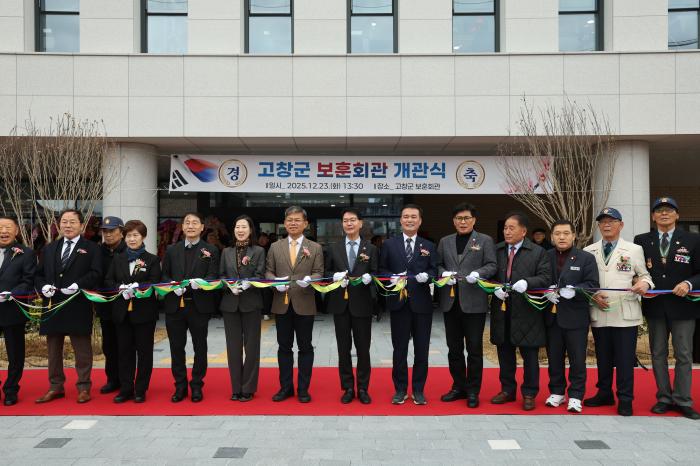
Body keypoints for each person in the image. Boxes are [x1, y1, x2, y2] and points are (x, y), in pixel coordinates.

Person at [634, 197, 700, 420]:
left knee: (683, 354)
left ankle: (683, 400)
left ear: (677, 215)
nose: (664, 213)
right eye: (659, 210)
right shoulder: (642, 240)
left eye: (669, 210)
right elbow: (637, 270)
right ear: (653, 216)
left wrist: (688, 283)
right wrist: (639, 282)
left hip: (683, 307)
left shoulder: (693, 239)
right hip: (655, 306)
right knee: (658, 354)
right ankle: (663, 398)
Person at [583, 207, 653, 416]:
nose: (607, 225)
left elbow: (645, 275)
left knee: (624, 360)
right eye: (603, 221)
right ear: (598, 225)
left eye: (611, 221)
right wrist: (591, 296)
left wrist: (644, 284)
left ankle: (625, 398)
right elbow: (584, 281)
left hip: (624, 313)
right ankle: (604, 393)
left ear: (621, 225)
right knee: (603, 358)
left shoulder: (634, 249)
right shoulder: (589, 250)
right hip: (600, 310)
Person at [36, 209, 102, 404]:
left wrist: (78, 285)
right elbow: (38, 275)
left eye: (72, 222)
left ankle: (83, 387)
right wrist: (43, 287)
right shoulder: (50, 248)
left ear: (81, 225)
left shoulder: (92, 248)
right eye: (64, 221)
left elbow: (96, 273)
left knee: (82, 350)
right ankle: (55, 386)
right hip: (53, 304)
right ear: (59, 225)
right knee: (53, 350)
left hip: (78, 304)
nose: (68, 225)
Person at [437, 203, 496, 409]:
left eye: (466, 218)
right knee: (454, 349)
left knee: (474, 349)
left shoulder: (485, 240)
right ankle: (458, 386)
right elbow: (437, 264)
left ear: (474, 220)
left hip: (474, 303)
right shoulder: (445, 241)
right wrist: (443, 273)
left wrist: (479, 273)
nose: (463, 222)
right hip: (450, 302)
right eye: (459, 218)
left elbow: (492, 265)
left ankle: (473, 390)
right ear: (454, 221)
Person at [490, 211, 551, 411]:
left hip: (527, 310)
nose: (507, 232)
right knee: (504, 352)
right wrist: (493, 288)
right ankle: (507, 390)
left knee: (530, 355)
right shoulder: (497, 250)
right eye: (505, 228)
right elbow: (488, 273)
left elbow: (546, 277)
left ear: (523, 231)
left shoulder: (537, 252)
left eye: (511, 228)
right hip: (502, 308)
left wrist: (528, 282)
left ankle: (529, 393)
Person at [379, 204, 438, 405]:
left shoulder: (429, 245)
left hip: (422, 305)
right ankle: (400, 389)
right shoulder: (389, 244)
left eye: (413, 216)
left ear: (420, 221)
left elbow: (435, 270)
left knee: (422, 349)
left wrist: (427, 276)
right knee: (399, 349)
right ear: (400, 220)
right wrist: (391, 277)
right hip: (399, 303)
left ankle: (419, 390)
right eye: (406, 216)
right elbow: (382, 269)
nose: (409, 220)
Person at [266, 206, 323, 403]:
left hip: (304, 302)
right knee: (284, 347)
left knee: (305, 347)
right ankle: (286, 387)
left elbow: (319, 272)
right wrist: (275, 282)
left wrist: (310, 279)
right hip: (281, 303)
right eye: (289, 220)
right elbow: (268, 271)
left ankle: (303, 389)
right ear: (284, 223)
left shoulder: (315, 247)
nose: (293, 223)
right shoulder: (275, 247)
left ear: (305, 224)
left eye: (297, 220)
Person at [161, 212, 220, 403]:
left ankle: (196, 385)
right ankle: (180, 386)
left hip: (198, 305)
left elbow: (213, 276)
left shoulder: (210, 249)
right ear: (182, 227)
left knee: (200, 347)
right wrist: (171, 285)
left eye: (195, 223)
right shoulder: (172, 249)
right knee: (176, 347)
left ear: (202, 227)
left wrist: (202, 283)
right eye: (187, 222)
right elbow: (164, 275)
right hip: (175, 305)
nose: (191, 226)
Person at [542, 220, 599, 413]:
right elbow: (540, 279)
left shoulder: (585, 258)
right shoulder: (545, 256)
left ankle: (575, 395)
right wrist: (545, 291)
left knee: (577, 359)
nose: (561, 237)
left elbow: (593, 284)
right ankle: (557, 392)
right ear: (552, 237)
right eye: (557, 233)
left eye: (566, 233)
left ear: (574, 236)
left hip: (576, 317)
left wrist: (575, 290)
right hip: (552, 316)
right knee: (554, 357)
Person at [325, 208, 379, 404]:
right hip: (340, 304)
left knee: (363, 349)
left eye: (353, 220)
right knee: (343, 348)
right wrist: (334, 276)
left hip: (362, 305)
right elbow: (326, 272)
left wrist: (370, 278)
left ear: (360, 223)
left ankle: (363, 388)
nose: (349, 223)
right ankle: (347, 387)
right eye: (345, 220)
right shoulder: (334, 248)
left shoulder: (370, 248)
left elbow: (376, 273)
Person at [105, 220, 161, 403]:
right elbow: (108, 281)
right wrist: (119, 287)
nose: (132, 239)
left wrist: (139, 287)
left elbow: (155, 282)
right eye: (129, 235)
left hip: (144, 313)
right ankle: (126, 388)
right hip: (122, 312)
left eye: (136, 235)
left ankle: (140, 389)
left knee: (144, 353)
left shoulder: (152, 259)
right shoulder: (118, 258)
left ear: (143, 237)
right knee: (124, 352)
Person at [219, 215, 266, 402]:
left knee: (252, 347)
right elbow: (221, 275)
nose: (240, 230)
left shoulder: (258, 251)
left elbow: (261, 275)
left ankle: (248, 388)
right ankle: (236, 388)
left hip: (251, 302)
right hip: (230, 304)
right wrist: (228, 285)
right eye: (237, 227)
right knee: (233, 348)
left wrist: (249, 283)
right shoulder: (226, 252)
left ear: (250, 230)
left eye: (244, 227)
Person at [0, 216, 36, 406]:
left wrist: (12, 293)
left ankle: (11, 389)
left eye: (8, 227)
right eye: (0, 227)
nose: (3, 231)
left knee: (15, 353)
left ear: (16, 231)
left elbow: (28, 280)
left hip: (12, 309)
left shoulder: (26, 253)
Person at [96, 216, 126, 395]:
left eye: (112, 231)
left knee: (124, 345)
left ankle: (125, 380)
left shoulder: (128, 250)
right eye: (105, 231)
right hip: (105, 305)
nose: (108, 235)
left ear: (121, 232)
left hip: (124, 305)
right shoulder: (98, 251)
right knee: (108, 346)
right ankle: (112, 379)